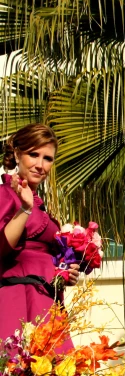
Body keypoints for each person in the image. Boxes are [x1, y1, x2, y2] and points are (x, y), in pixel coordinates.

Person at [0, 124, 78, 347]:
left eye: (48, 158)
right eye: (33, 155)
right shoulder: (5, 195)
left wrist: (66, 273)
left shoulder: (38, 204)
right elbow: (2, 247)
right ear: (17, 154)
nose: (40, 165)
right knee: (16, 371)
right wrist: (24, 209)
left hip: (46, 300)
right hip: (17, 298)